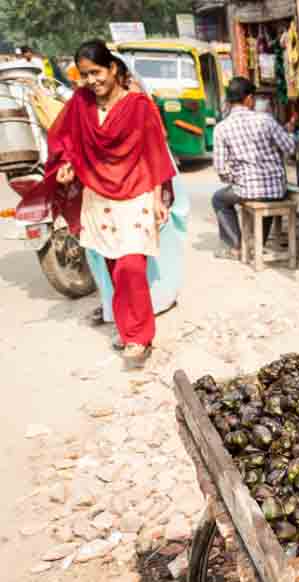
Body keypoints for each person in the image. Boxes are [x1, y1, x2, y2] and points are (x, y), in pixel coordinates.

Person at [16, 40, 175, 366]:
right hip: (98, 195)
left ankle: (140, 336)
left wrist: (159, 198)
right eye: (85, 75)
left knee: (132, 267)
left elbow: (155, 151)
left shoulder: (140, 105)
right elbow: (64, 143)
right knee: (115, 269)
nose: (91, 81)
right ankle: (128, 330)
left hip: (137, 191)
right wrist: (64, 168)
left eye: (96, 72)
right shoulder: (79, 103)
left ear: (113, 68)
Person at [85, 65, 190, 339]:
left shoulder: (137, 102)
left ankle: (154, 304)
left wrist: (157, 194)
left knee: (149, 248)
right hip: (107, 194)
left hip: (146, 182)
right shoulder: (89, 108)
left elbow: (155, 145)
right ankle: (122, 313)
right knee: (109, 255)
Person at [212, 76, 296, 260]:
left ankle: (236, 245)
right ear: (249, 99)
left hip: (245, 189)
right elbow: (289, 147)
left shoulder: (221, 128)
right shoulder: (265, 120)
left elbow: (220, 168)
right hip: (276, 189)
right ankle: (257, 243)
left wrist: (234, 178)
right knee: (265, 197)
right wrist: (288, 132)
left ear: (229, 101)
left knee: (219, 199)